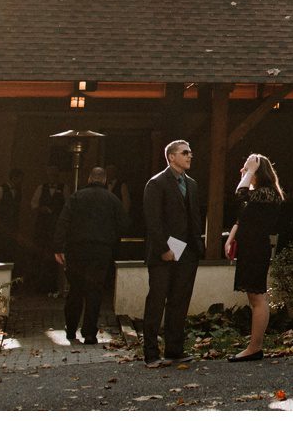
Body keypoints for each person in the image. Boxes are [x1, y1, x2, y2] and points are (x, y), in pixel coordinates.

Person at [141, 139, 206, 366]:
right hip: (165, 251)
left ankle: (174, 350)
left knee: (179, 301)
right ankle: (150, 354)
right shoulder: (156, 184)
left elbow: (195, 218)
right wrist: (164, 249)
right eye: (185, 152)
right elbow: (153, 221)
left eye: (190, 152)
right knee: (157, 301)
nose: (190, 156)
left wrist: (198, 247)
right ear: (171, 157)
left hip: (188, 251)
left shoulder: (192, 184)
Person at [53, 167, 125, 346]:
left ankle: (70, 329)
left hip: (77, 249)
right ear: (105, 180)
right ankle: (90, 333)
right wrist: (111, 239)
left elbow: (63, 221)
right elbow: (124, 223)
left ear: (89, 178)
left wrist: (58, 247)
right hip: (101, 250)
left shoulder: (77, 197)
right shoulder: (112, 199)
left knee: (75, 289)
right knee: (95, 291)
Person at [226, 153, 286, 360]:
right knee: (253, 296)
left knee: (258, 296)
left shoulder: (268, 193)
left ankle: (255, 347)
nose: (242, 171)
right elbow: (242, 218)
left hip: (256, 248)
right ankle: (254, 346)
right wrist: (231, 239)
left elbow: (239, 194)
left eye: (247, 168)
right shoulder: (258, 195)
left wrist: (250, 169)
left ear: (259, 172)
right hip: (248, 246)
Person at [30, 167, 68, 294]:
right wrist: (42, 209)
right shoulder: (41, 188)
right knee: (40, 255)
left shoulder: (64, 188)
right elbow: (33, 204)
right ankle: (40, 286)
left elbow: (68, 205)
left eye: (55, 175)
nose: (53, 177)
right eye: (51, 175)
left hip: (56, 226)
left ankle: (54, 285)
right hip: (42, 227)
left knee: (55, 256)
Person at [0, 168, 23, 267]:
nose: (20, 181)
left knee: (10, 249)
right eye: (19, 178)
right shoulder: (1, 189)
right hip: (1, 225)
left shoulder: (18, 192)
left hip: (12, 226)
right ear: (14, 178)